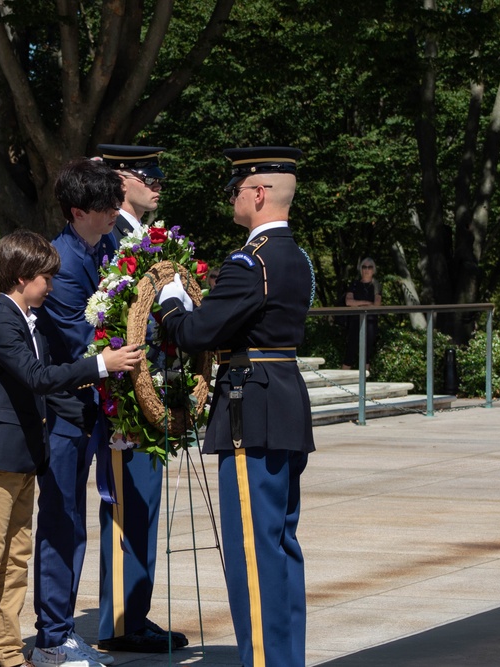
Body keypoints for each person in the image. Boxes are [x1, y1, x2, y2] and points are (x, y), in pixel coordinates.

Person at [0, 230, 144, 667]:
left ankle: (9, 650)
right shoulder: (2, 321)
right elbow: (35, 377)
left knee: (15, 559)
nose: (51, 287)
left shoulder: (27, 321)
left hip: (20, 456)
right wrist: (99, 364)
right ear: (20, 277)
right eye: (45, 279)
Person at [157, 146, 315, 667]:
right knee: (281, 545)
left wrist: (174, 304)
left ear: (259, 194)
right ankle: (285, 657)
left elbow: (201, 331)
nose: (232, 198)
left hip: (253, 403)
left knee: (254, 550)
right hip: (285, 396)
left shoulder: (252, 260)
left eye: (237, 190)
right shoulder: (297, 257)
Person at [32, 158, 123, 667]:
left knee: (78, 523)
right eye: (104, 206)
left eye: (115, 202)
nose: (114, 212)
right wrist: (139, 343)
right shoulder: (60, 262)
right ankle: (52, 634)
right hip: (65, 410)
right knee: (61, 520)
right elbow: (80, 340)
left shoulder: (107, 246)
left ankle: (62, 627)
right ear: (75, 211)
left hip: (96, 405)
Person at [95, 144, 183, 653]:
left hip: (151, 385)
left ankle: (134, 613)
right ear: (122, 179)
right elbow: (108, 317)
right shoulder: (112, 241)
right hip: (124, 395)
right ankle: (122, 623)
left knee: (143, 506)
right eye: (147, 175)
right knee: (128, 505)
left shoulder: (143, 238)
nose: (156, 184)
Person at [98, 144, 165, 243]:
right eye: (149, 180)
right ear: (121, 183)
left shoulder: (140, 230)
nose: (158, 187)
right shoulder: (107, 233)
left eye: (158, 180)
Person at [340, 257, 381, 370]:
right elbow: (349, 302)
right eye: (364, 267)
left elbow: (377, 305)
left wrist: (358, 304)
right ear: (360, 269)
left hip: (370, 321)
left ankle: (364, 384)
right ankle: (342, 381)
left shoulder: (376, 285)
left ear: (373, 269)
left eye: (369, 267)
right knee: (350, 350)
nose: (367, 270)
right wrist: (367, 302)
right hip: (355, 320)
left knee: (367, 353)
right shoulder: (354, 284)